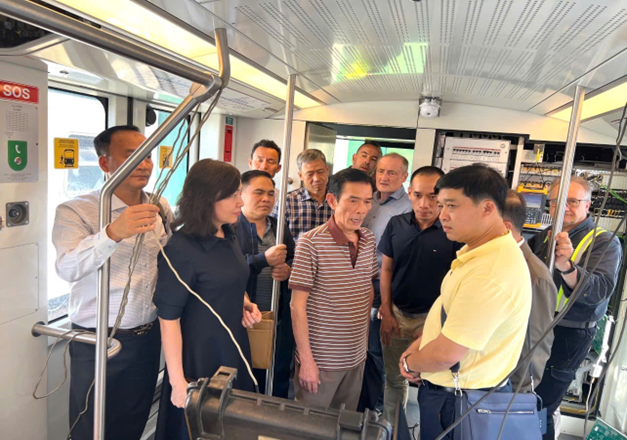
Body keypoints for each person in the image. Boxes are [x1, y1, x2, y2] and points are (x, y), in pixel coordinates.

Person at [52, 125, 173, 440]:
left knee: (134, 419)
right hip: (95, 339)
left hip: (147, 337)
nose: (144, 164)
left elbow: (169, 261)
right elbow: (67, 267)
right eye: (132, 156)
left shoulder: (160, 206)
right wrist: (112, 233)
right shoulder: (76, 210)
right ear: (105, 163)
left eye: (147, 156)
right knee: (90, 425)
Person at [400, 164, 532, 440]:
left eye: (452, 206)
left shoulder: (490, 271)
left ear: (487, 208)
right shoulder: (479, 252)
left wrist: (412, 363)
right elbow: (453, 316)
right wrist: (420, 346)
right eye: (441, 205)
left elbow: (445, 355)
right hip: (458, 393)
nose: (442, 215)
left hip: (459, 402)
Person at [153, 159, 262, 440]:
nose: (241, 202)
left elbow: (228, 280)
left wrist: (244, 302)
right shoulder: (181, 249)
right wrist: (177, 381)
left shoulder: (229, 234)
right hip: (201, 354)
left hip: (234, 346)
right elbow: (168, 318)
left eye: (240, 193)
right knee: (201, 428)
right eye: (233, 195)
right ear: (207, 198)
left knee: (234, 425)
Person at [528, 176, 622, 440]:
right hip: (536, 327)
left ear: (588, 205)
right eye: (556, 201)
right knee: (526, 398)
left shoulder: (604, 241)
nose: (564, 207)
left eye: (572, 201)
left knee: (542, 406)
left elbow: (599, 290)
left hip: (568, 334)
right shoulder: (544, 237)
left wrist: (567, 266)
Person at [289, 168, 378, 410]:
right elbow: (297, 306)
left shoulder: (368, 239)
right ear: (332, 200)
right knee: (310, 425)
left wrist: (363, 345)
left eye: (367, 201)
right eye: (353, 200)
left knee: (344, 423)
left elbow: (367, 289)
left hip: (355, 357)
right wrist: (307, 361)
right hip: (321, 360)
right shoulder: (310, 242)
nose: (361, 209)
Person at [378, 166, 461, 424]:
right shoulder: (397, 224)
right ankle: (393, 431)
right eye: (417, 195)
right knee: (394, 379)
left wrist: (433, 326)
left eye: (432, 196)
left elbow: (457, 285)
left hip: (433, 321)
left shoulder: (454, 231)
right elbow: (386, 269)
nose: (424, 204)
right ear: (409, 193)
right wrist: (386, 311)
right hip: (396, 315)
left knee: (432, 383)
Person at [235, 170, 296, 397]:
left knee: (277, 372)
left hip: (276, 316)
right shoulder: (231, 227)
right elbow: (227, 270)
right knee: (245, 375)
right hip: (242, 317)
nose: (266, 199)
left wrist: (288, 268)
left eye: (271, 194)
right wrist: (262, 260)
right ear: (241, 194)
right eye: (258, 192)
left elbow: (292, 257)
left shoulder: (278, 226)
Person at [358, 153, 412, 413]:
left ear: (404, 176)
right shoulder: (368, 200)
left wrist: (388, 299)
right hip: (359, 283)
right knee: (361, 348)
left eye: (392, 172)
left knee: (380, 348)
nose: (384, 177)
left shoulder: (409, 208)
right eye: (381, 171)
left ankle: (380, 407)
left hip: (384, 286)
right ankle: (364, 401)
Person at [502, 190, 557, 392]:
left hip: (504, 390)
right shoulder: (497, 261)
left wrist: (517, 392)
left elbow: (534, 344)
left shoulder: (534, 277)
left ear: (505, 227)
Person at [272, 149, 333, 242]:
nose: (316, 178)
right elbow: (274, 237)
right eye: (310, 174)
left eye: (320, 171)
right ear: (300, 176)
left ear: (327, 170)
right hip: (295, 251)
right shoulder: (287, 201)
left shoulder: (338, 201)